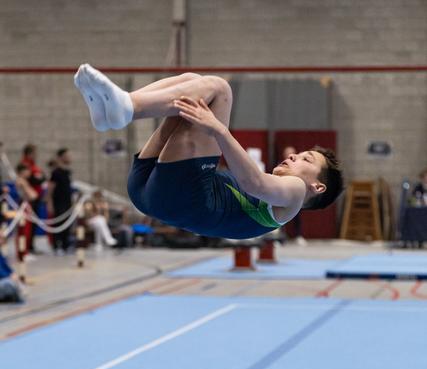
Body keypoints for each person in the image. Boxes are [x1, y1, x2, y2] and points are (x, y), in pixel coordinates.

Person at [74, 65, 344, 239]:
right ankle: (112, 112)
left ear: (317, 187)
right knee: (194, 82)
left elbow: (255, 183)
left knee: (220, 89)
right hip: (152, 192)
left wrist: (219, 130)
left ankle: (127, 107)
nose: (295, 156)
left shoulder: (295, 193)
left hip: (179, 198)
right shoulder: (277, 196)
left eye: (306, 159)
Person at [20, 144, 46, 254]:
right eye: (34, 153)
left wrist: (41, 177)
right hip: (28, 199)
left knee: (33, 224)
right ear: (29, 153)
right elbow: (35, 179)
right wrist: (39, 178)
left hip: (36, 197)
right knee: (27, 224)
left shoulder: (33, 165)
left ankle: (30, 246)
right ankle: (26, 248)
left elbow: (42, 176)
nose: (36, 155)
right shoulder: (25, 165)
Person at [47, 148, 73, 255]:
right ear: (61, 157)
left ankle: (66, 245)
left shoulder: (67, 172)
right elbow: (50, 189)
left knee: (67, 223)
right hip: (58, 202)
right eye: (67, 155)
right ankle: (57, 246)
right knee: (59, 223)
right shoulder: (56, 172)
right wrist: (49, 202)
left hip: (67, 202)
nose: (69, 157)